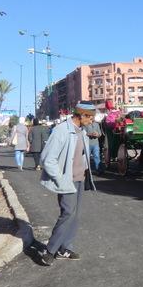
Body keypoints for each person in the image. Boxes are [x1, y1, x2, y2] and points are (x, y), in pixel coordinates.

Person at [38, 103, 97, 266]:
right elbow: (47, 159)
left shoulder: (82, 131)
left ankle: (64, 248)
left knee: (75, 215)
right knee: (68, 213)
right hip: (67, 180)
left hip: (79, 179)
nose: (92, 120)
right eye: (90, 117)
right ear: (81, 115)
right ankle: (50, 250)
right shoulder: (61, 130)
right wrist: (60, 179)